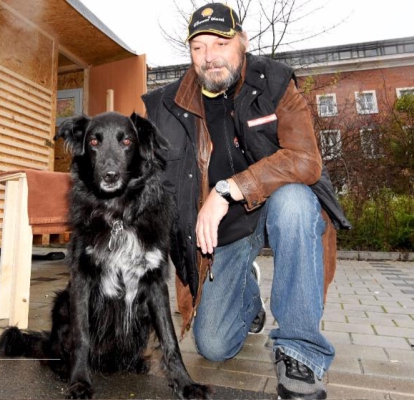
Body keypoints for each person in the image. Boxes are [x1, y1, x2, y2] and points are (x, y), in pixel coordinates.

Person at [142, 3, 351, 399]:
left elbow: (306, 160)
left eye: (220, 42)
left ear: (243, 42)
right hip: (225, 236)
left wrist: (228, 190)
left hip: (278, 208)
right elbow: (155, 188)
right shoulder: (165, 107)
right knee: (214, 346)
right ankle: (248, 293)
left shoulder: (274, 83)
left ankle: (300, 352)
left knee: (293, 199)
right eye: (198, 47)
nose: (210, 56)